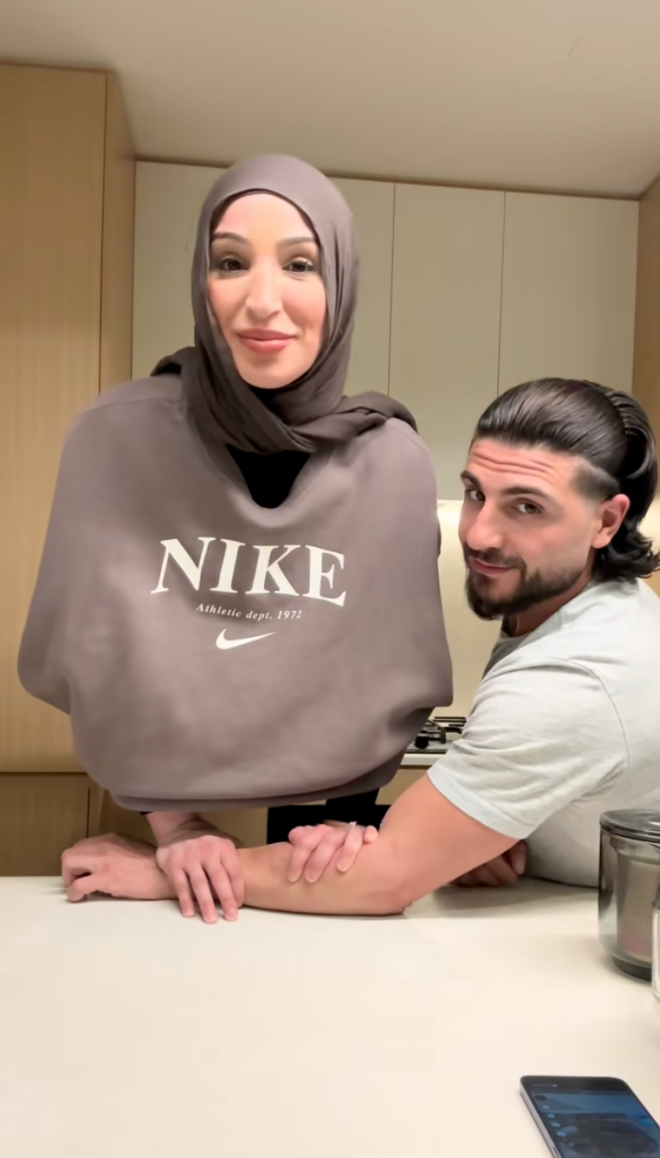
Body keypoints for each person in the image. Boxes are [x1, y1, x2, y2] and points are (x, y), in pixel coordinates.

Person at [60, 378, 660, 918]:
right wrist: (470, 835)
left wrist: (161, 872)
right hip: (577, 908)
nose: (479, 532)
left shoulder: (582, 674)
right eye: (477, 492)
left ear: (607, 520)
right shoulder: (566, 607)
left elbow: (384, 879)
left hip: (659, 940)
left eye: (527, 508)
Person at [19, 155, 453, 920]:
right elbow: (94, 653)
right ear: (200, 281)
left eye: (299, 264)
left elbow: (391, 671)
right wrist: (176, 825)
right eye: (229, 262)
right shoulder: (114, 438)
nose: (262, 301)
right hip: (153, 840)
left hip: (336, 841)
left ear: (341, 284)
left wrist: (368, 828)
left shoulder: (394, 463)